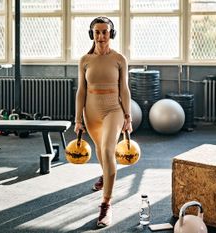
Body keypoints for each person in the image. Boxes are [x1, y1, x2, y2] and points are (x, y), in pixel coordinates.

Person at [74, 16, 132, 227]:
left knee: (108, 151)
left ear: (111, 33)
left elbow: (124, 89)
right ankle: (105, 175)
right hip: (91, 112)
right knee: (100, 150)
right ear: (92, 34)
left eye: (105, 31)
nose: (101, 36)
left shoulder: (119, 59)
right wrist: (78, 119)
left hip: (113, 110)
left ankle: (106, 205)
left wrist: (128, 116)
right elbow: (81, 91)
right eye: (97, 32)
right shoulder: (85, 60)